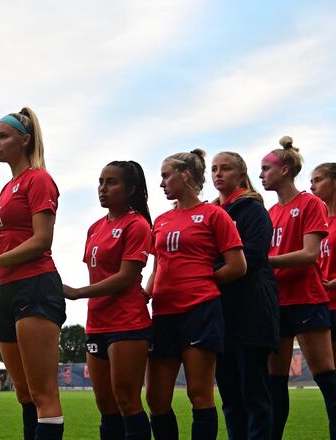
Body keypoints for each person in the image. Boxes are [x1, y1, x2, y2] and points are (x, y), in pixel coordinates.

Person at [0, 108, 65, 440]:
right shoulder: (7, 187)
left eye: (3, 136)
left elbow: (42, 240)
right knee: (24, 394)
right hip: (7, 288)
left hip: (35, 284)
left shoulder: (39, 178)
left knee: (43, 395)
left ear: (24, 140)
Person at [145, 149, 247, 440]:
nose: (162, 183)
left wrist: (200, 280)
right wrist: (145, 294)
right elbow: (157, 267)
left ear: (186, 175)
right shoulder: (161, 220)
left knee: (199, 394)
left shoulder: (214, 215)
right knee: (156, 399)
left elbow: (238, 266)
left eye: (166, 176)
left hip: (200, 311)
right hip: (163, 313)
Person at [63, 161, 153, 439]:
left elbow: (126, 277)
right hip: (97, 323)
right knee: (106, 405)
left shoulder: (137, 225)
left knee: (127, 400)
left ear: (131, 189)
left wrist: (77, 293)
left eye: (111, 182)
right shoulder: (94, 228)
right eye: (101, 182)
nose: (103, 189)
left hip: (127, 322)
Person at [261, 137, 336, 439]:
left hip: (306, 299)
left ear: (286, 169)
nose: (262, 174)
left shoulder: (310, 204)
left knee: (327, 379)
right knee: (274, 383)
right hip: (277, 303)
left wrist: (265, 263)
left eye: (267, 168)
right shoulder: (270, 213)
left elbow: (309, 254)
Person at [211, 151, 279, 439]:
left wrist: (204, 273)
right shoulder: (213, 212)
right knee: (230, 398)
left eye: (225, 168)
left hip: (251, 310)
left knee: (254, 394)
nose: (218, 174)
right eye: (214, 169)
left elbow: (251, 257)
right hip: (220, 315)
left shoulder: (252, 210)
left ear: (241, 174)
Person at [312, 163, 336, 360]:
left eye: (318, 180)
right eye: (311, 182)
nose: (312, 187)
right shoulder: (319, 221)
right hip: (322, 304)